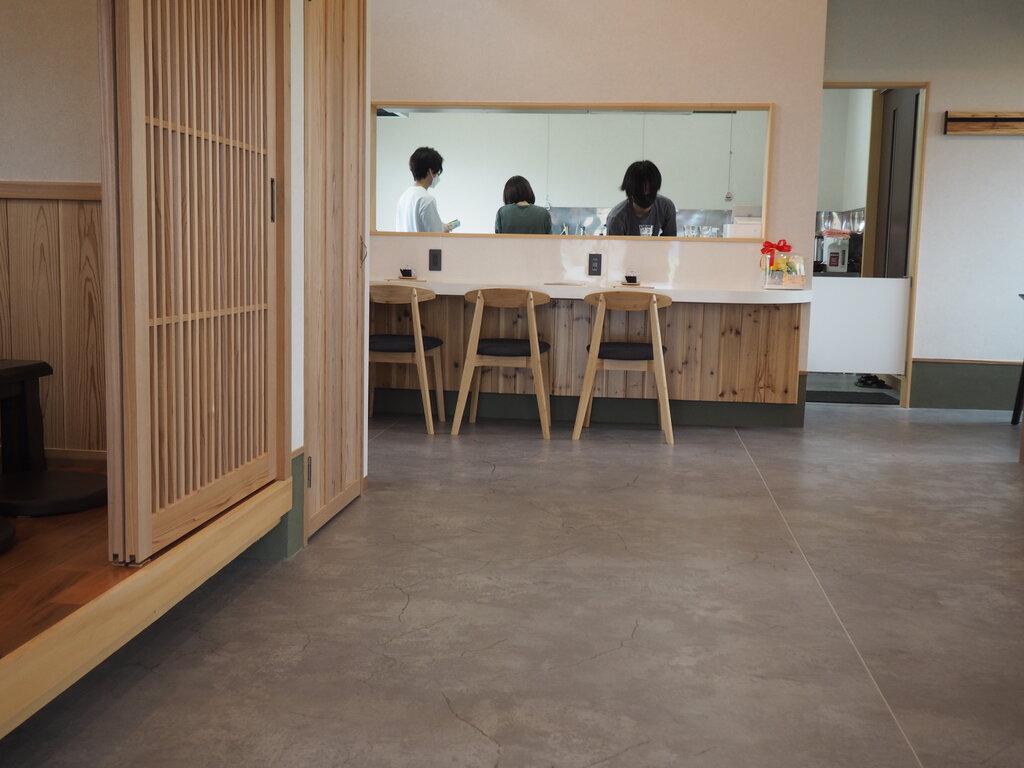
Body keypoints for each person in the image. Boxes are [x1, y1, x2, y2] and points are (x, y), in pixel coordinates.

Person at [605, 160, 677, 237]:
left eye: (650, 190)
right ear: (630, 191)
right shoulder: (616, 218)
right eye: (640, 191)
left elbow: (670, 240)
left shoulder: (666, 207)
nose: (646, 193)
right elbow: (614, 245)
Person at [395, 146, 452, 232]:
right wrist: (444, 229)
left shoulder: (403, 197)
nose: (437, 175)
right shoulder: (426, 199)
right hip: (423, 242)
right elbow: (435, 234)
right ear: (430, 171)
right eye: (437, 172)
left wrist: (441, 227)